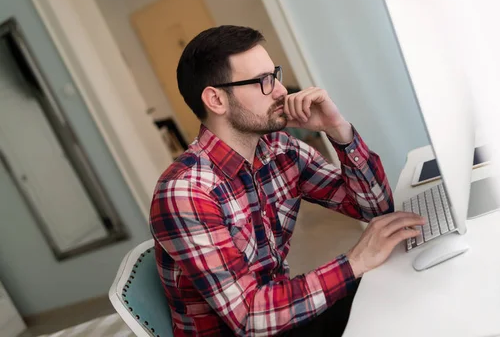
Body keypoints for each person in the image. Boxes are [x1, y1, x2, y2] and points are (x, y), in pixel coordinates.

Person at [150, 25, 425, 336]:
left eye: (275, 75)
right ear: (216, 100)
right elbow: (250, 317)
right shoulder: (186, 193)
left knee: (404, 298)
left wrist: (338, 129)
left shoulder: (279, 150)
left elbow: (376, 207)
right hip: (253, 328)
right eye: (264, 82)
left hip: (281, 321)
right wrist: (354, 262)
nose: (282, 91)